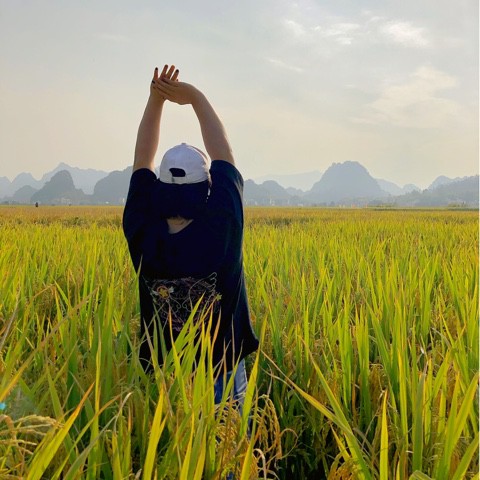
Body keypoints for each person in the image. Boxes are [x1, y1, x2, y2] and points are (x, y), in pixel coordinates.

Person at [122, 64, 259, 409]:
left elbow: (142, 158)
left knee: (167, 444)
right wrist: (195, 98)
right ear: (207, 188)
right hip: (221, 373)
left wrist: (156, 99)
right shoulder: (222, 227)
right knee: (230, 443)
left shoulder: (141, 229)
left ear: (158, 187)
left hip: (165, 378)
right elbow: (224, 156)